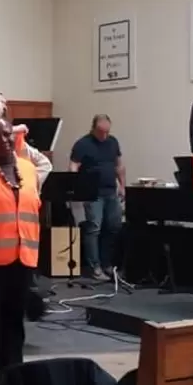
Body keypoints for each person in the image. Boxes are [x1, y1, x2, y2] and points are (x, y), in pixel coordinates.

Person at [0, 117, 40, 383]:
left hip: (23, 255)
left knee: (15, 318)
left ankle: (15, 372)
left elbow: (34, 208)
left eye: (7, 134)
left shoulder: (28, 168)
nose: (5, 140)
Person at [69, 114, 125, 280]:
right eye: (101, 132)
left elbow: (119, 165)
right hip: (92, 193)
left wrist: (122, 185)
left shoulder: (113, 142)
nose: (104, 136)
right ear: (93, 128)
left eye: (107, 132)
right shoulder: (82, 144)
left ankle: (107, 263)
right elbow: (74, 166)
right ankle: (95, 267)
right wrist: (76, 186)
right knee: (94, 228)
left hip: (111, 191)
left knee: (113, 226)